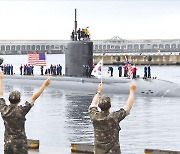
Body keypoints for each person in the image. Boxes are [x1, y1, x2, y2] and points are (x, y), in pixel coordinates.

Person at [0, 72, 51, 154]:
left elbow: (0, 95)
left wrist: (1, 79)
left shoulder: (4, 110)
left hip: (8, 144)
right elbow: (34, 97)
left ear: (9, 99)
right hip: (20, 145)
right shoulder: (22, 110)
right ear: (19, 100)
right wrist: (45, 85)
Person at [88, 82, 136, 154]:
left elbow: (93, 104)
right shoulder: (113, 117)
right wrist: (132, 91)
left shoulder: (94, 116)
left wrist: (99, 91)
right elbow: (128, 106)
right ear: (110, 105)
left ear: (99, 106)